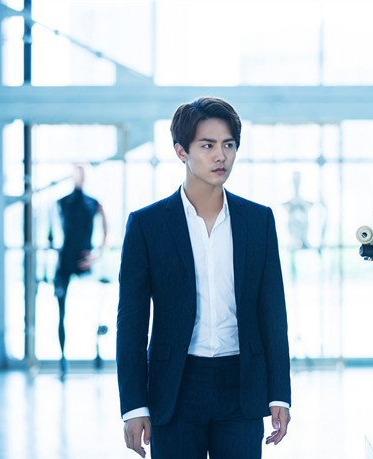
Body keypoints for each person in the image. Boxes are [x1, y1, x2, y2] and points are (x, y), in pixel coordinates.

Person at [117, 97, 292, 459]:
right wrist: (134, 406)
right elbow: (131, 322)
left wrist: (280, 394)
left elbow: (272, 312)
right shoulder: (148, 225)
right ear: (181, 151)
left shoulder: (257, 221)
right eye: (208, 146)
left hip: (241, 386)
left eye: (229, 145)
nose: (220, 156)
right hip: (175, 387)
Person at [54, 164, 108, 374]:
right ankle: (63, 356)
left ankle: (95, 350)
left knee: (91, 308)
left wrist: (96, 256)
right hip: (67, 260)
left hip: (83, 259)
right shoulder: (62, 202)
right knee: (62, 310)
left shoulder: (93, 203)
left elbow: (107, 231)